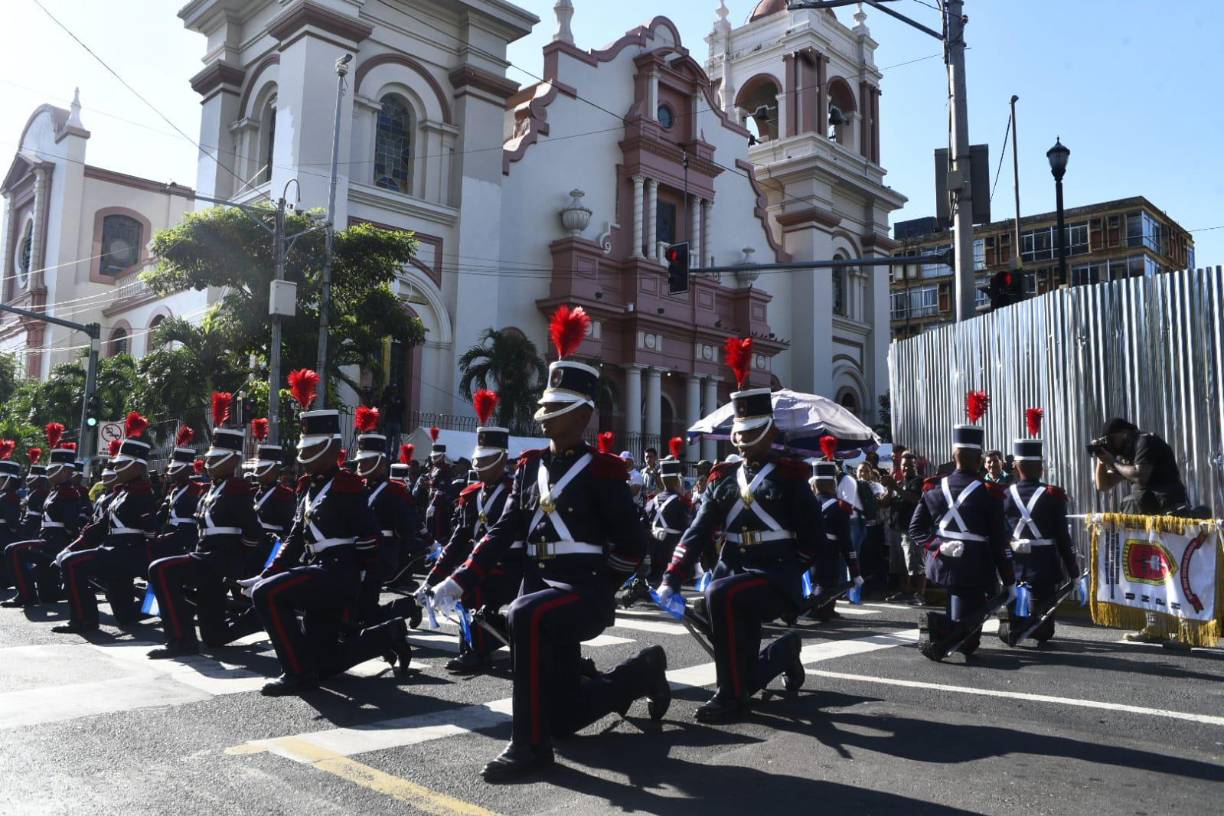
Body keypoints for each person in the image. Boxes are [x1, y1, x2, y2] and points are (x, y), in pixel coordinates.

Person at [430, 306, 667, 782]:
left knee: (524, 615)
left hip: (582, 594)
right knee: (563, 717)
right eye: (547, 406)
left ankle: (529, 749)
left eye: (557, 409)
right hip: (537, 589)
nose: (546, 417)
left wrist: (603, 582)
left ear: (582, 414)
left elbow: (634, 543)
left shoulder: (603, 471)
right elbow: (503, 532)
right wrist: (460, 579)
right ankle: (641, 673)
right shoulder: (528, 468)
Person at [659, 337, 823, 723]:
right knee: (712, 607)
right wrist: (671, 577)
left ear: (769, 431)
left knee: (721, 595)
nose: (745, 440)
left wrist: (788, 568)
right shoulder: (722, 480)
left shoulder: (790, 476)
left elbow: (813, 538)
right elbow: (697, 532)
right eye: (741, 432)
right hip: (732, 573)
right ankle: (780, 655)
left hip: (774, 575)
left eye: (753, 432)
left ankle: (730, 698)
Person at [244, 371, 412, 695]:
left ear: (331, 448)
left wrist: (363, 584)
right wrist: (266, 572)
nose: (304, 457)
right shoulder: (307, 486)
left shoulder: (348, 486)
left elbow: (367, 538)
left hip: (338, 573)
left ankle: (294, 674)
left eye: (312, 449)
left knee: (269, 595)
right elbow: (295, 537)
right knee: (324, 663)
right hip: (316, 570)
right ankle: (387, 635)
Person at [146, 398, 266, 658]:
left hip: (218, 559)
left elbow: (254, 532)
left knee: (162, 570)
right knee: (214, 636)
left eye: (217, 459)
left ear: (233, 460)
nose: (210, 463)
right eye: (209, 458)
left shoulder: (236, 489)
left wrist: (234, 557)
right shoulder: (214, 489)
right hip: (207, 557)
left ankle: (180, 640)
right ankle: (256, 618)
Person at [909, 394, 1017, 658]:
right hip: (975, 566)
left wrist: (939, 546)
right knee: (968, 640)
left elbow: (916, 530)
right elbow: (998, 540)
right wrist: (1009, 580)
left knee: (965, 621)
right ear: (979, 458)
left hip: (942, 564)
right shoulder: (989, 492)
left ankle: (944, 627)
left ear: (953, 455)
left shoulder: (933, 487)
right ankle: (937, 626)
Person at [419, 389, 520, 674]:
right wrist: (432, 579)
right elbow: (458, 540)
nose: (480, 466)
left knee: (471, 587)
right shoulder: (471, 495)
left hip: (512, 567)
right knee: (466, 582)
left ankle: (477, 650)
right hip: (482, 565)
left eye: (487, 459)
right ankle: (474, 646)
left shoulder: (515, 492)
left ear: (502, 459)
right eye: (479, 459)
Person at [55, 413, 160, 634]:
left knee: (73, 564)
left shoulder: (142, 494)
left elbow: (151, 532)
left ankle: (84, 620)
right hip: (115, 553)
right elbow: (99, 527)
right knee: (125, 616)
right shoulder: (121, 494)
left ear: (137, 468)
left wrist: (149, 563)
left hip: (127, 554)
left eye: (122, 465)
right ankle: (161, 608)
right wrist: (70, 547)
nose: (116, 469)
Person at [1001, 418, 1079, 646]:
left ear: (1015, 466)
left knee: (1014, 601)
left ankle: (1015, 620)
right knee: (1045, 632)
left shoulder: (1003, 495)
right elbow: (1063, 538)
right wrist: (1073, 571)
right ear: (1041, 467)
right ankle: (1031, 624)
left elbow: (997, 532)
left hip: (1014, 563)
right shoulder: (1053, 494)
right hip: (1044, 565)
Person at [3, 444, 85, 608]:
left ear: (65, 471)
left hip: (55, 542)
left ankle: (26, 595)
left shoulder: (67, 492)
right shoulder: (56, 491)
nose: (48, 472)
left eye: (53, 468)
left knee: (13, 550)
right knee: (48, 597)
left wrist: (67, 546)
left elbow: (71, 524)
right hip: (47, 540)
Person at [1091, 417, 1189, 515]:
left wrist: (1113, 462)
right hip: (1150, 509)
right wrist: (1101, 461)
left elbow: (1140, 476)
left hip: (1170, 508)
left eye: (1110, 439)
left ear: (1124, 432)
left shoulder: (1145, 441)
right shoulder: (1125, 454)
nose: (1109, 444)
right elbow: (1103, 485)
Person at [808, 457, 863, 622]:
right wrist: (855, 571)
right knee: (829, 580)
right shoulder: (839, 507)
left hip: (808, 550)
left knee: (818, 580)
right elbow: (846, 541)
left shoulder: (808, 504)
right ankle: (819, 609)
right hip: (829, 550)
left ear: (814, 485)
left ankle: (824, 608)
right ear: (833, 485)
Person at [153, 426, 204, 560]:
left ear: (187, 470)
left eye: (175, 468)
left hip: (186, 537)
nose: (171, 472)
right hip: (171, 532)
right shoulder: (174, 490)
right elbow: (161, 515)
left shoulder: (195, 489)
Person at [885, 450, 927, 605]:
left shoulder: (919, 481)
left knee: (916, 563)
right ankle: (905, 592)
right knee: (900, 564)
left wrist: (895, 488)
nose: (907, 468)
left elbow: (914, 498)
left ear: (916, 466)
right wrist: (890, 489)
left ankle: (920, 594)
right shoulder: (898, 483)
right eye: (904, 466)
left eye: (910, 465)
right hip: (896, 529)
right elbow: (884, 503)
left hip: (912, 529)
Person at [380, 383, 405, 458]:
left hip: (397, 422)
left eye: (395, 389)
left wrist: (394, 403)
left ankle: (394, 457)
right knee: (388, 441)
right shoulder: (387, 397)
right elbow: (382, 404)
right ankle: (387, 457)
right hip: (388, 422)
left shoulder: (400, 398)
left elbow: (403, 408)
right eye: (393, 389)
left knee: (396, 442)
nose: (394, 391)